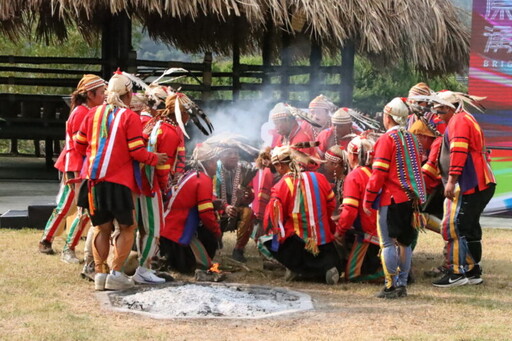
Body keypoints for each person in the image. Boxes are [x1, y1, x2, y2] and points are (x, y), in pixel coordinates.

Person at [74, 69, 168, 291]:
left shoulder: (92, 114)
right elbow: (136, 151)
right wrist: (156, 158)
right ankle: (116, 273)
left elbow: (79, 144)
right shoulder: (129, 117)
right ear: (127, 94)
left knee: (101, 228)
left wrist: (99, 151)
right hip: (119, 183)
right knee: (128, 227)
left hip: (94, 182)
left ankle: (100, 274)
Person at [430, 91, 496, 287]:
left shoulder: (459, 121)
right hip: (478, 182)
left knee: (455, 226)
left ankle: (458, 272)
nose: (437, 116)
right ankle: (473, 271)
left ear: (450, 108)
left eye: (440, 111)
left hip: (470, 182)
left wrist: (451, 181)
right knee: (469, 227)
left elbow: (459, 151)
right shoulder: (464, 118)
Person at [38, 74, 106, 263]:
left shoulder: (84, 110)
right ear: (91, 94)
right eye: (101, 93)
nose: (104, 96)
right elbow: (79, 145)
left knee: (70, 207)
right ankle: (66, 248)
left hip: (79, 164)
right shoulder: (82, 113)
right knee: (78, 207)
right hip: (77, 165)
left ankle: (47, 240)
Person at [363, 97, 427, 299]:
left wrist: (368, 198)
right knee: (405, 243)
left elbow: (378, 174)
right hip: (411, 199)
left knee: (388, 243)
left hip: (391, 199)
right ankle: (402, 284)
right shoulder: (412, 139)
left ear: (388, 117)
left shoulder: (386, 140)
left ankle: (390, 285)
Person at [263, 146, 341, 285]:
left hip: (299, 246)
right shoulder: (320, 178)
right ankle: (327, 268)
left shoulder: (282, 186)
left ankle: (295, 267)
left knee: (267, 239)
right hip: (325, 245)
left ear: (280, 165)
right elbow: (330, 206)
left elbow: (274, 220)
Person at [159, 143, 221, 273]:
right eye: (216, 161)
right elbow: (205, 213)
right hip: (176, 235)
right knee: (210, 237)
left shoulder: (191, 175)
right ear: (209, 163)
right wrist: (217, 232)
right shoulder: (203, 179)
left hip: (168, 232)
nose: (217, 165)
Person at [336, 135, 383, 282]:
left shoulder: (354, 176)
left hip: (369, 232)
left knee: (351, 275)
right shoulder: (376, 173)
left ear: (353, 156)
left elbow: (350, 211)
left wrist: (339, 231)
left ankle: (390, 273)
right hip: (382, 227)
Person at [213, 144, 256, 262]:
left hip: (238, 207)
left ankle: (239, 249)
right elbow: (210, 195)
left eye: (236, 153)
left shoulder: (244, 169)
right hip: (217, 208)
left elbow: (251, 195)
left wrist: (247, 195)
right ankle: (215, 240)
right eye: (229, 153)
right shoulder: (213, 169)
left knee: (248, 213)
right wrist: (225, 206)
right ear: (220, 156)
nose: (233, 156)